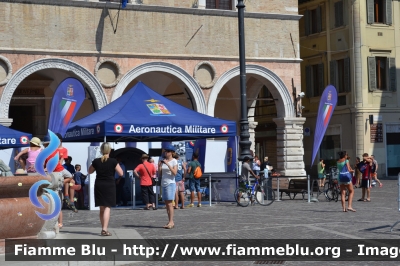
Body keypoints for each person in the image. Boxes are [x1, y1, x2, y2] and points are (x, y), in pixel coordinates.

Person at [88, 142, 123, 236]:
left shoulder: (96, 161)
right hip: (109, 185)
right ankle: (104, 229)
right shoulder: (113, 161)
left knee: (101, 208)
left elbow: (89, 171)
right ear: (109, 150)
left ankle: (103, 227)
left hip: (99, 184)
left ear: (101, 150)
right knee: (107, 207)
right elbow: (121, 173)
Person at [158, 144, 177, 229]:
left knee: (170, 204)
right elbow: (160, 174)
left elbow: (174, 173)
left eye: (168, 151)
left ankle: (171, 221)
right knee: (166, 204)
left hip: (170, 183)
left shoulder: (174, 161)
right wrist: (159, 167)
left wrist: (168, 165)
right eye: (165, 151)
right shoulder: (164, 160)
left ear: (172, 152)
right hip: (164, 183)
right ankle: (170, 221)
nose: (166, 153)